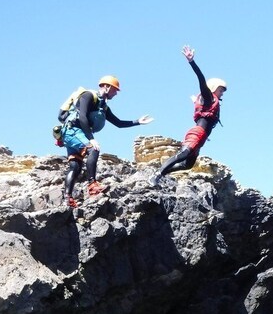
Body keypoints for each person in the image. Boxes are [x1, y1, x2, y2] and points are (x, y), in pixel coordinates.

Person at [60, 75, 152, 207]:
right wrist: (91, 139)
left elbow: (118, 123)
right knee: (93, 149)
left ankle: (67, 199)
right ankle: (92, 185)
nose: (116, 93)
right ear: (107, 87)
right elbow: (82, 117)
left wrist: (138, 122)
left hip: (73, 134)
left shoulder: (103, 106)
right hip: (73, 131)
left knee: (75, 166)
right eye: (115, 90)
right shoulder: (88, 96)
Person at [154, 46, 226, 182]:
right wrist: (191, 61)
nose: (222, 93)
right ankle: (157, 174)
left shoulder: (208, 101)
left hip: (202, 137)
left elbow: (203, 108)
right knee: (183, 153)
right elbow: (201, 79)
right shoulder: (208, 96)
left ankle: (163, 172)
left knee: (188, 164)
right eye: (221, 90)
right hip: (197, 133)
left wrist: (194, 101)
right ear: (213, 88)